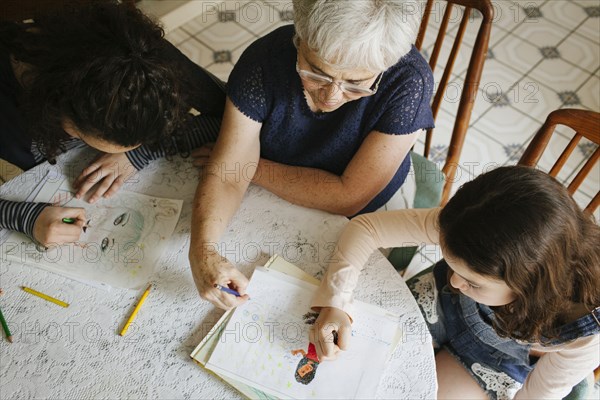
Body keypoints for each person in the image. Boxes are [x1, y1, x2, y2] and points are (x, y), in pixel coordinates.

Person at [189, 0, 434, 310]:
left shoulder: (410, 82)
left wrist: (246, 166)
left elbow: (349, 196)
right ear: (300, 37)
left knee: (336, 302)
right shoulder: (265, 60)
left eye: (356, 85)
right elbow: (226, 177)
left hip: (366, 213)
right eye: (317, 73)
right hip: (279, 187)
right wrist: (203, 251)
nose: (331, 96)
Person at [310, 166, 600, 399]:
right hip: (439, 303)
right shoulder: (472, 224)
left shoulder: (586, 331)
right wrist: (336, 300)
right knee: (346, 369)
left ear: (528, 285)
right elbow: (367, 228)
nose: (454, 280)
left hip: (492, 360)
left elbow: (540, 393)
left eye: (473, 282)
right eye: (450, 264)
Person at [0, 1, 225, 248]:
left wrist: (137, 155)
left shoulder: (138, 55)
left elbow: (235, 121)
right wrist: (23, 218)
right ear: (56, 106)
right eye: (82, 137)